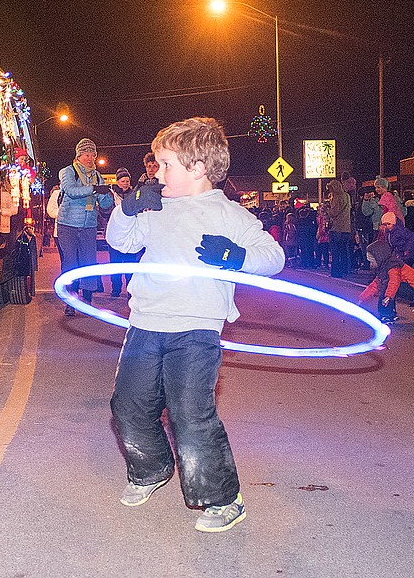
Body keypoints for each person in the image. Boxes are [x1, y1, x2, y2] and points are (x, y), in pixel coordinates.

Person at [106, 116, 285, 533]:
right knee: (128, 406)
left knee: (190, 413)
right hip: (146, 320)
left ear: (198, 167)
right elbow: (122, 242)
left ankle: (223, 498)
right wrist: (126, 210)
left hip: (197, 328)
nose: (157, 172)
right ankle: (150, 470)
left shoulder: (227, 213)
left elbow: (272, 256)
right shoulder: (155, 205)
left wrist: (238, 257)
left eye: (165, 164)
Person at [56, 138, 114, 315]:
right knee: (71, 262)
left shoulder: (96, 176)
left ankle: (87, 299)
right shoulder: (68, 171)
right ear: (78, 156)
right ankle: (70, 301)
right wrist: (93, 189)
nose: (90, 158)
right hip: (68, 225)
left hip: (88, 225)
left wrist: (107, 195)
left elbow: (104, 204)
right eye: (86, 155)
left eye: (93, 155)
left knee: (89, 262)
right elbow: (72, 191)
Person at [106, 168, 138, 296]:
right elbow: (105, 212)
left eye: (127, 180)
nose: (125, 183)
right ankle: (116, 289)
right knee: (115, 264)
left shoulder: (134, 194)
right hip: (115, 234)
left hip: (129, 233)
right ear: (118, 182)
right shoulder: (111, 195)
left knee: (130, 264)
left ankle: (130, 290)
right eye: (123, 181)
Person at [323, 178, 352, 278]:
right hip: (346, 228)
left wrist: (327, 209)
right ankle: (345, 270)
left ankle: (336, 272)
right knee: (344, 251)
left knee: (335, 252)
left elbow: (334, 212)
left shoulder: (337, 197)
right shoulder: (347, 196)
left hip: (336, 228)